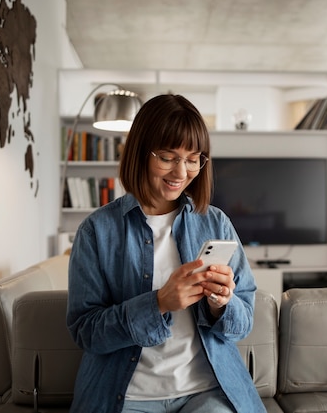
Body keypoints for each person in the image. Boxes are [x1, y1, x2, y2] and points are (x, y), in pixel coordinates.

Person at [66, 94, 265, 413]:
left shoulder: (215, 222)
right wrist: (159, 303)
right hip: (126, 396)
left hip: (205, 391)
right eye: (168, 157)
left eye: (192, 158)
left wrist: (221, 304)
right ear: (141, 153)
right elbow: (86, 332)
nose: (181, 171)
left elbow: (243, 323)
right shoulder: (97, 231)